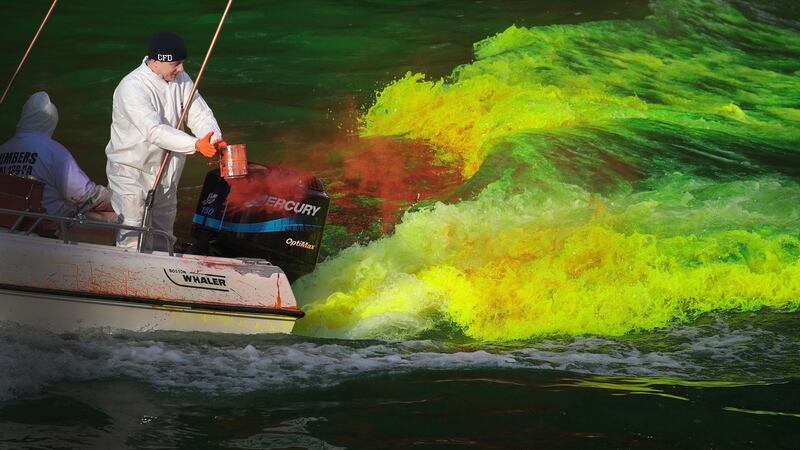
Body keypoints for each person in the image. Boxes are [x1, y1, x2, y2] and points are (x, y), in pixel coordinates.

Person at [105, 31, 225, 252]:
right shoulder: (132, 87)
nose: (181, 69)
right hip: (132, 172)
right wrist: (195, 145)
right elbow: (154, 131)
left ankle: (160, 280)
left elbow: (199, 114)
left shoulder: (181, 80)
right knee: (134, 231)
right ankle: (127, 280)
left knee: (163, 236)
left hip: (167, 174)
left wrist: (213, 138)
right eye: (177, 64)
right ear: (158, 61)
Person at [0, 91, 113, 221]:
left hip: (8, 223)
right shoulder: (51, 151)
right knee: (117, 219)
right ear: (50, 121)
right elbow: (85, 195)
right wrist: (116, 200)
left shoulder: (3, 149)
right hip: (47, 224)